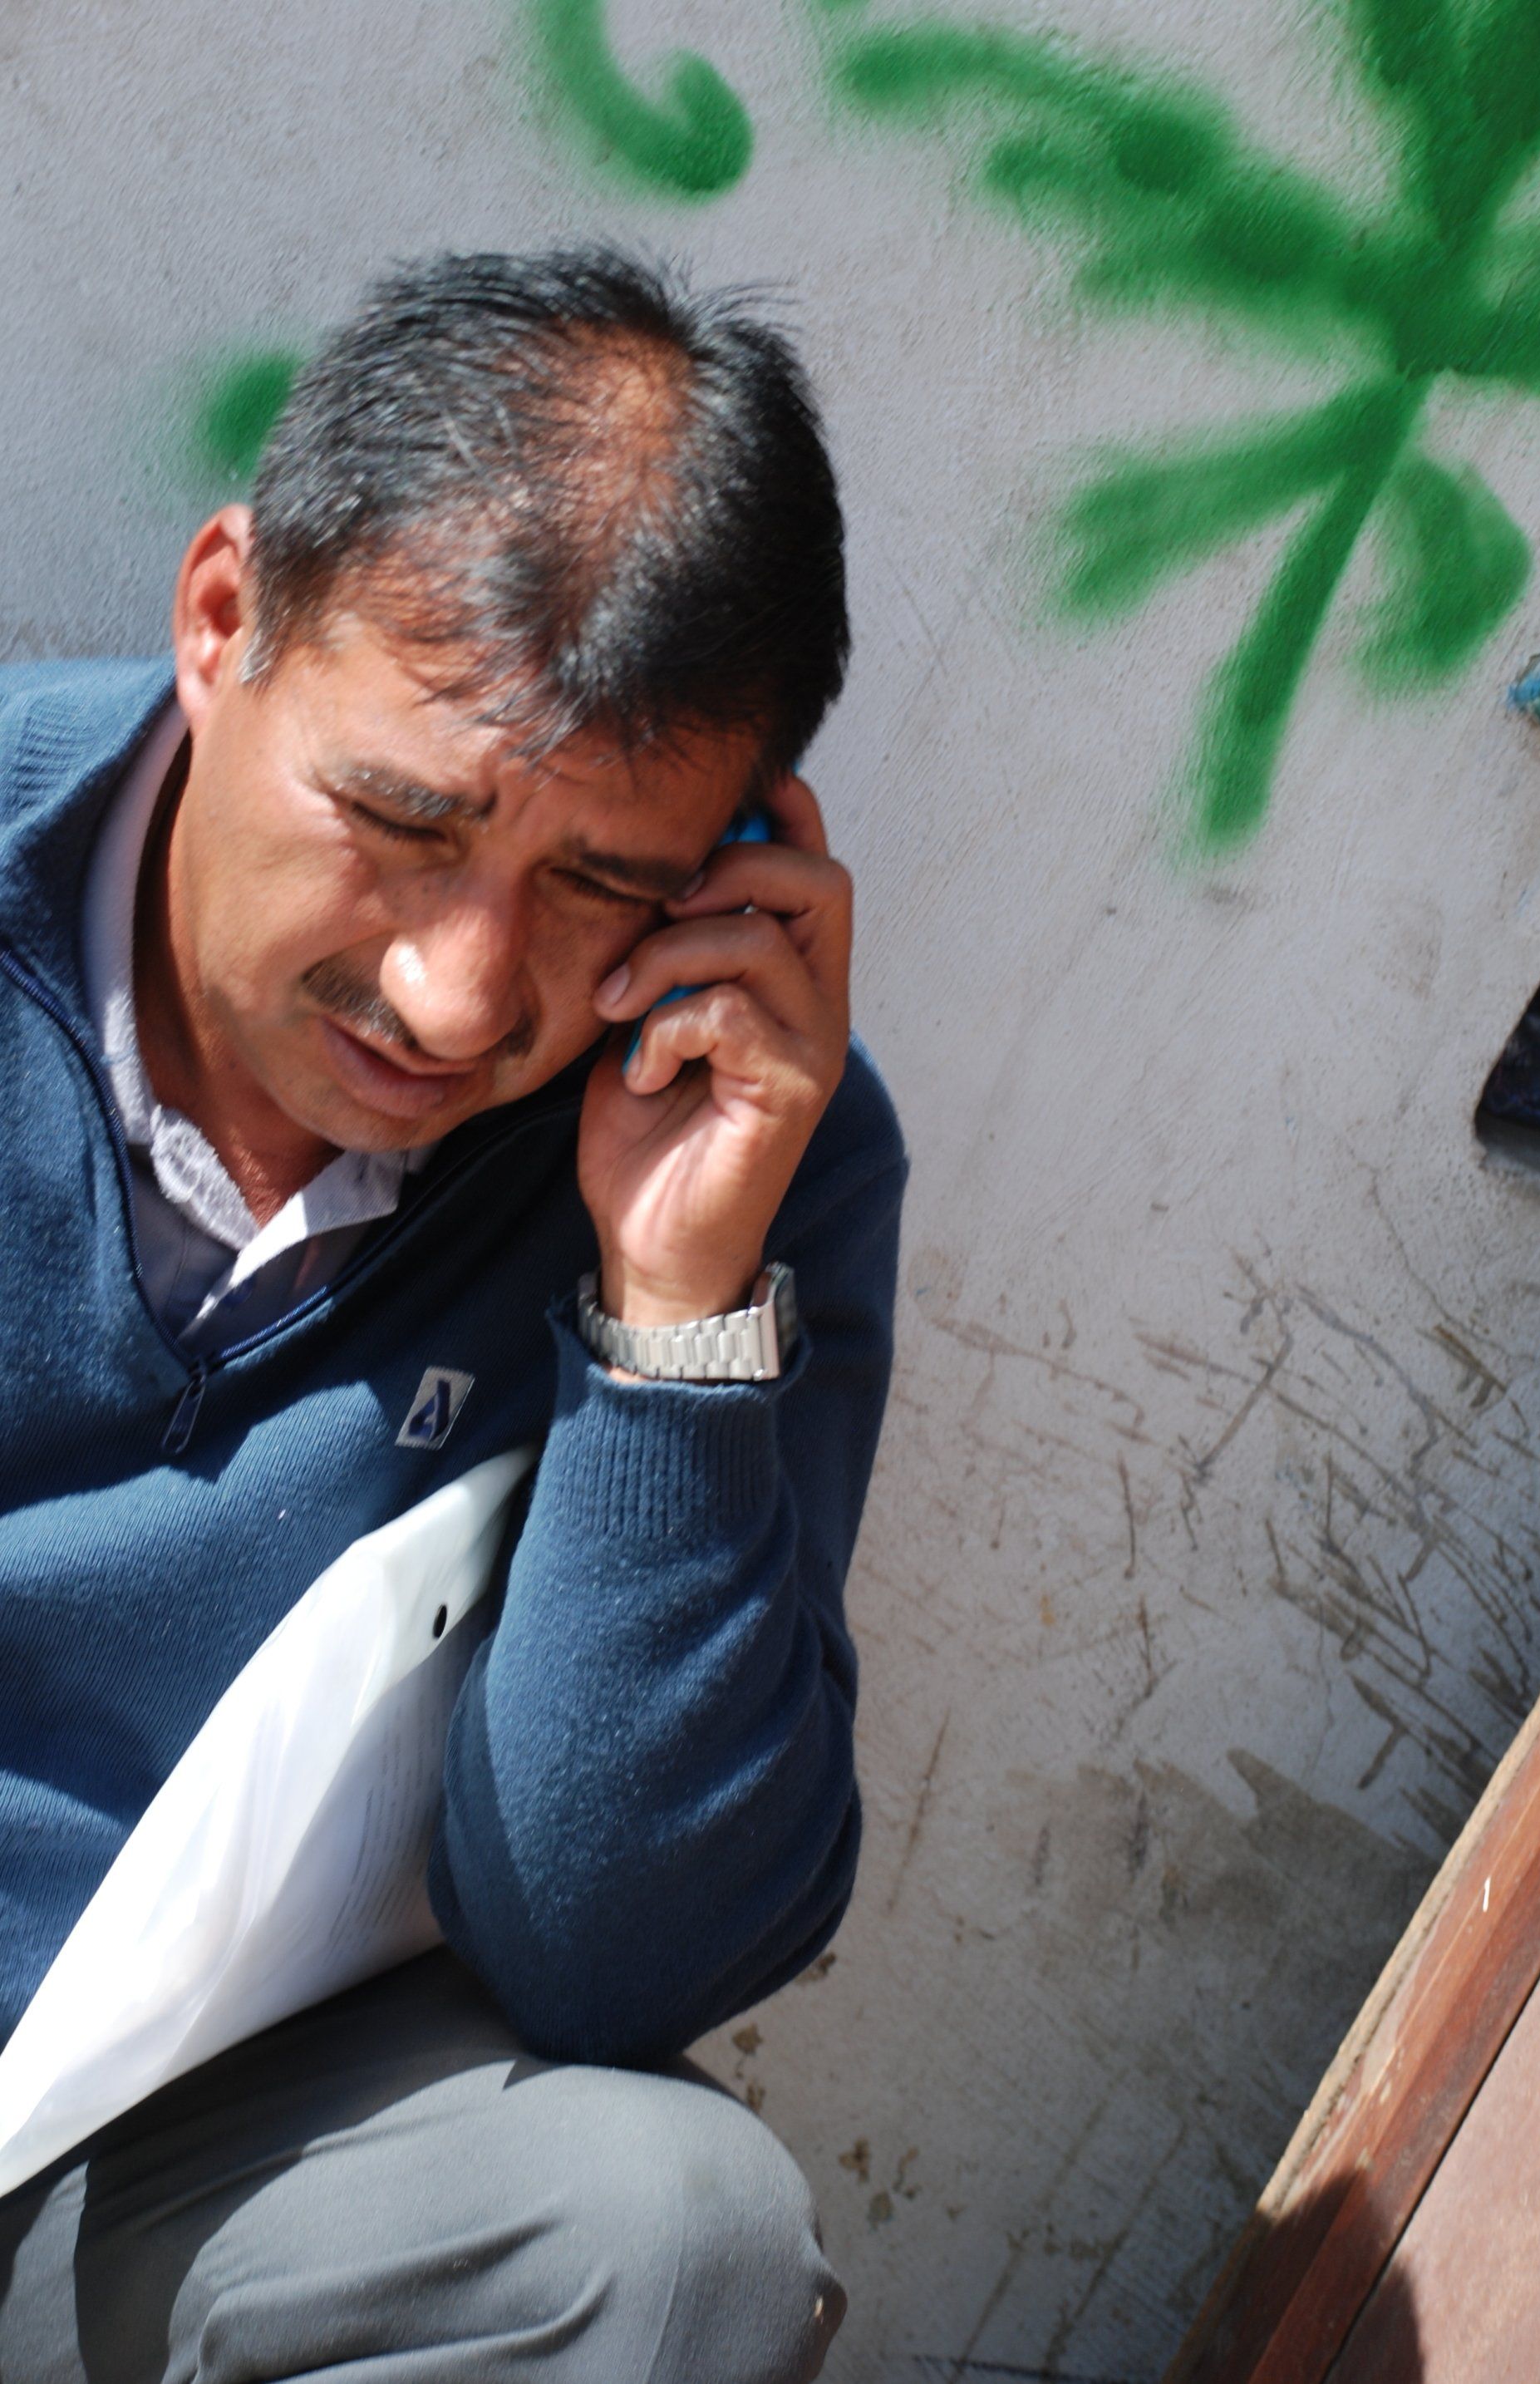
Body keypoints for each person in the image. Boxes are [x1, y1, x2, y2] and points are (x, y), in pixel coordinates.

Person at [0, 248, 905, 2381]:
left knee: (667, 2232)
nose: (460, 995)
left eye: (603, 888)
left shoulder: (744, 1137)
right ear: (224, 620)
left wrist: (670, 1311)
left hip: (170, 2152)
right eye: (402, 825)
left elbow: (619, 1955)